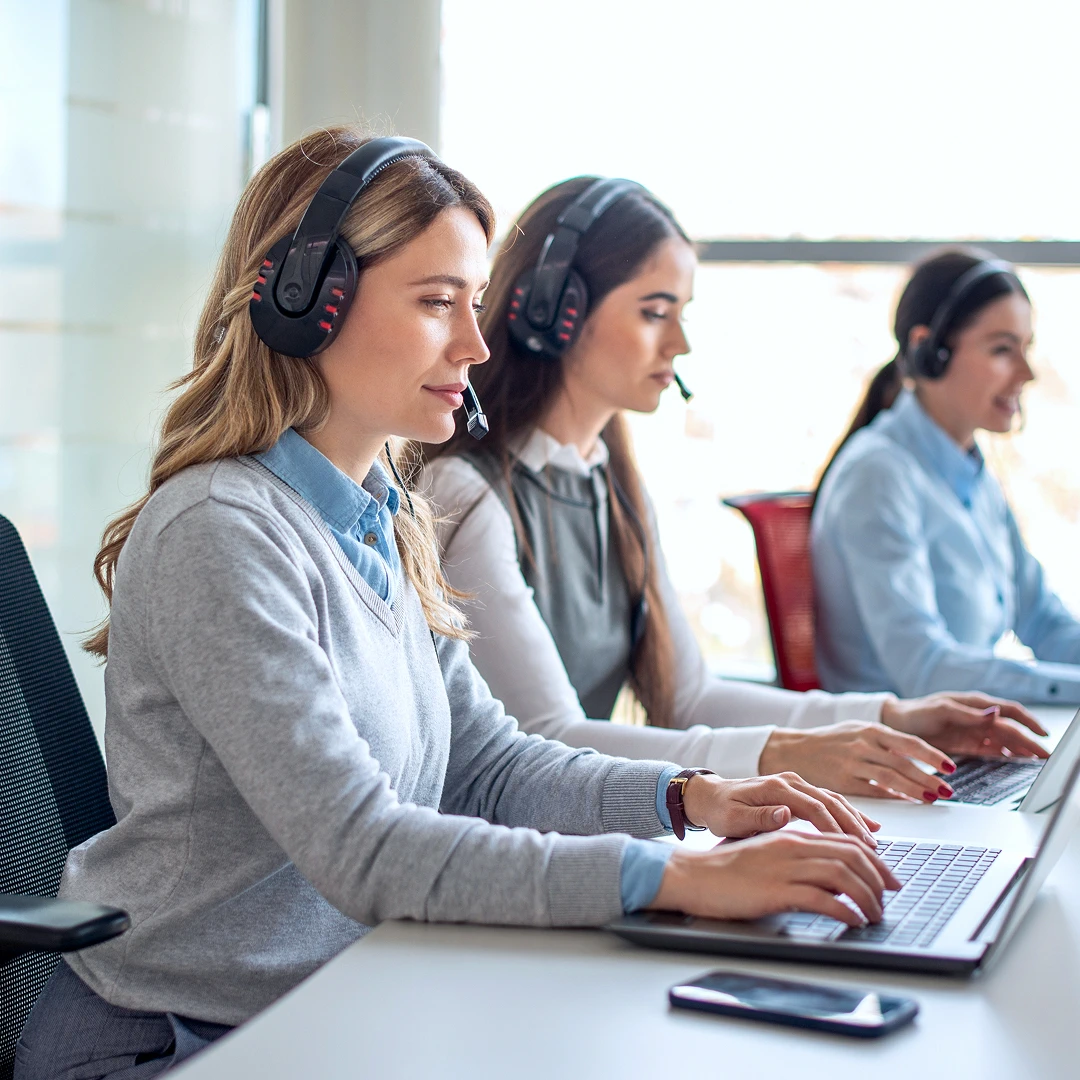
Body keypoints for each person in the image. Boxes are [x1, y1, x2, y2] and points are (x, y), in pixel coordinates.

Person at [15, 132, 897, 1079]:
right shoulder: (219, 532)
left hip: (339, 1007)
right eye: (438, 302)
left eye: (473, 303)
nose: (475, 345)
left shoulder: (385, 520)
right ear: (305, 301)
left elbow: (489, 767)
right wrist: (673, 876)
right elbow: (363, 848)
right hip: (177, 1042)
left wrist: (686, 801)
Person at [419, 181, 1047, 807]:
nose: (680, 344)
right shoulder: (467, 495)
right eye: (654, 312)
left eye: (682, 315)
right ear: (554, 311)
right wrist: (783, 754)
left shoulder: (612, 486)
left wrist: (892, 717)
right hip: (518, 846)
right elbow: (550, 739)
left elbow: (689, 698)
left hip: (588, 832)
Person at [812, 247, 1080, 703]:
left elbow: (1042, 620)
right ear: (930, 351)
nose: (1027, 373)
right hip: (900, 741)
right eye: (1002, 350)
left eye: (1026, 349)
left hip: (965, 733)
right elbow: (926, 670)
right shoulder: (877, 476)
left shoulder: (974, 476)